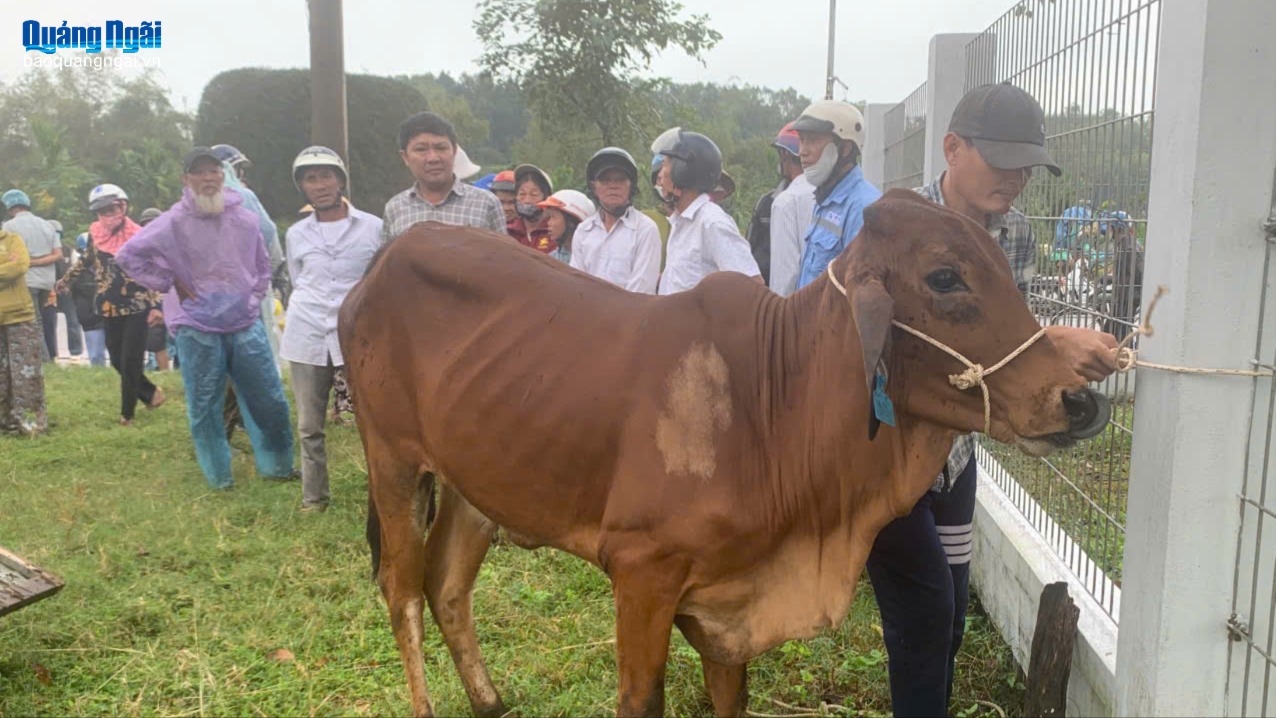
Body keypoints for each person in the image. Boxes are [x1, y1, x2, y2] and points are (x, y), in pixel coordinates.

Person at [865, 82, 1120, 718]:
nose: (1017, 177)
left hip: (954, 456)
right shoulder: (891, 229)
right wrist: (1048, 338)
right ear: (952, 148)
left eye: (1027, 164)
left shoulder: (1018, 237)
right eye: (1002, 159)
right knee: (925, 611)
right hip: (888, 452)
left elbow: (1006, 342)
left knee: (948, 616)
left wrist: (1060, 356)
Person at [118, 147, 296, 490]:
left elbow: (261, 262)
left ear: (222, 175)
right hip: (197, 327)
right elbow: (129, 256)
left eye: (213, 171)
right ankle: (219, 477)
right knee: (205, 406)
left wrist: (253, 294)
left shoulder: (243, 218)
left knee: (269, 398)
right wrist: (170, 283)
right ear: (187, 180)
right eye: (199, 173)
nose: (208, 178)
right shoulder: (172, 222)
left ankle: (278, 466)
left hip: (244, 323)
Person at [283, 146, 383, 512]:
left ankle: (381, 494)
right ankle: (314, 500)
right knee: (310, 426)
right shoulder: (296, 234)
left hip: (358, 337)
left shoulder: (373, 227)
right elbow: (298, 280)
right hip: (307, 335)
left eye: (326, 176)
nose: (320, 184)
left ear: (340, 179)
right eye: (311, 178)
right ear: (302, 187)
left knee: (373, 423)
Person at [56, 184, 166, 426]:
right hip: (107, 305)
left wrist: (157, 306)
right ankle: (150, 392)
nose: (106, 215)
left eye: (111, 208)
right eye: (101, 211)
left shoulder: (139, 236)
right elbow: (86, 260)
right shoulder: (96, 234)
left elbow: (154, 272)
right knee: (116, 359)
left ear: (123, 206)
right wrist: (65, 280)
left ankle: (127, 414)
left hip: (137, 306)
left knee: (131, 360)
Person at [654, 130, 762, 294]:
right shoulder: (681, 222)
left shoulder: (712, 223)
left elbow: (753, 286)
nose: (660, 175)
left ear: (682, 170)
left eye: (666, 164)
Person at [791, 100, 883, 291]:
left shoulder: (864, 207)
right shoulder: (825, 198)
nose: (802, 151)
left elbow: (860, 292)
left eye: (813, 140)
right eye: (801, 139)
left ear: (846, 148)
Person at [382, 111, 506, 243]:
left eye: (440, 148)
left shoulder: (486, 203)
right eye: (421, 149)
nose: (433, 158)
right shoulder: (394, 208)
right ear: (405, 157)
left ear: (454, 151)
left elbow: (504, 259)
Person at [570, 147, 661, 293]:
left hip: (632, 314)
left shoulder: (645, 229)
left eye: (620, 179)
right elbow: (576, 283)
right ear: (594, 187)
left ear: (631, 185)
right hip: (587, 313)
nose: (613, 186)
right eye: (605, 180)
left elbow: (641, 289)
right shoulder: (583, 231)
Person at [2, 189, 60, 362]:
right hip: (46, 281)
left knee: (32, 323)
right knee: (38, 320)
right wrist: (40, 260)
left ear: (9, 207)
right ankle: (42, 359)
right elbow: (57, 254)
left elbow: (12, 259)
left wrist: (29, 262)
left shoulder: (9, 227)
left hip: (26, 281)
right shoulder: (47, 224)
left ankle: (44, 361)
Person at [0, 225, 46, 435]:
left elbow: (19, 266)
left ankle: (31, 425)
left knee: (27, 373)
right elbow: (10, 269)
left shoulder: (12, 239)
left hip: (20, 315)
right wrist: (5, 266)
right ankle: (5, 423)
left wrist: (11, 265)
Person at [764, 122, 816, 296]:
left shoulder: (785, 202)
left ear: (785, 153)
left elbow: (785, 275)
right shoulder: (832, 194)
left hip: (800, 311)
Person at [137, 208, 170, 371]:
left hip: (175, 298)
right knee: (156, 340)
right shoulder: (141, 248)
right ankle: (164, 373)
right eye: (146, 225)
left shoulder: (172, 245)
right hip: (152, 299)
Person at [70, 232, 106, 367]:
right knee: (96, 357)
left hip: (113, 316)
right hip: (90, 318)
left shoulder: (112, 265)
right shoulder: (76, 271)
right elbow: (74, 294)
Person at [508, 164, 555, 253]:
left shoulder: (554, 232)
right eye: (522, 194)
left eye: (534, 194)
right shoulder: (509, 232)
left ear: (546, 197)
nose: (527, 200)